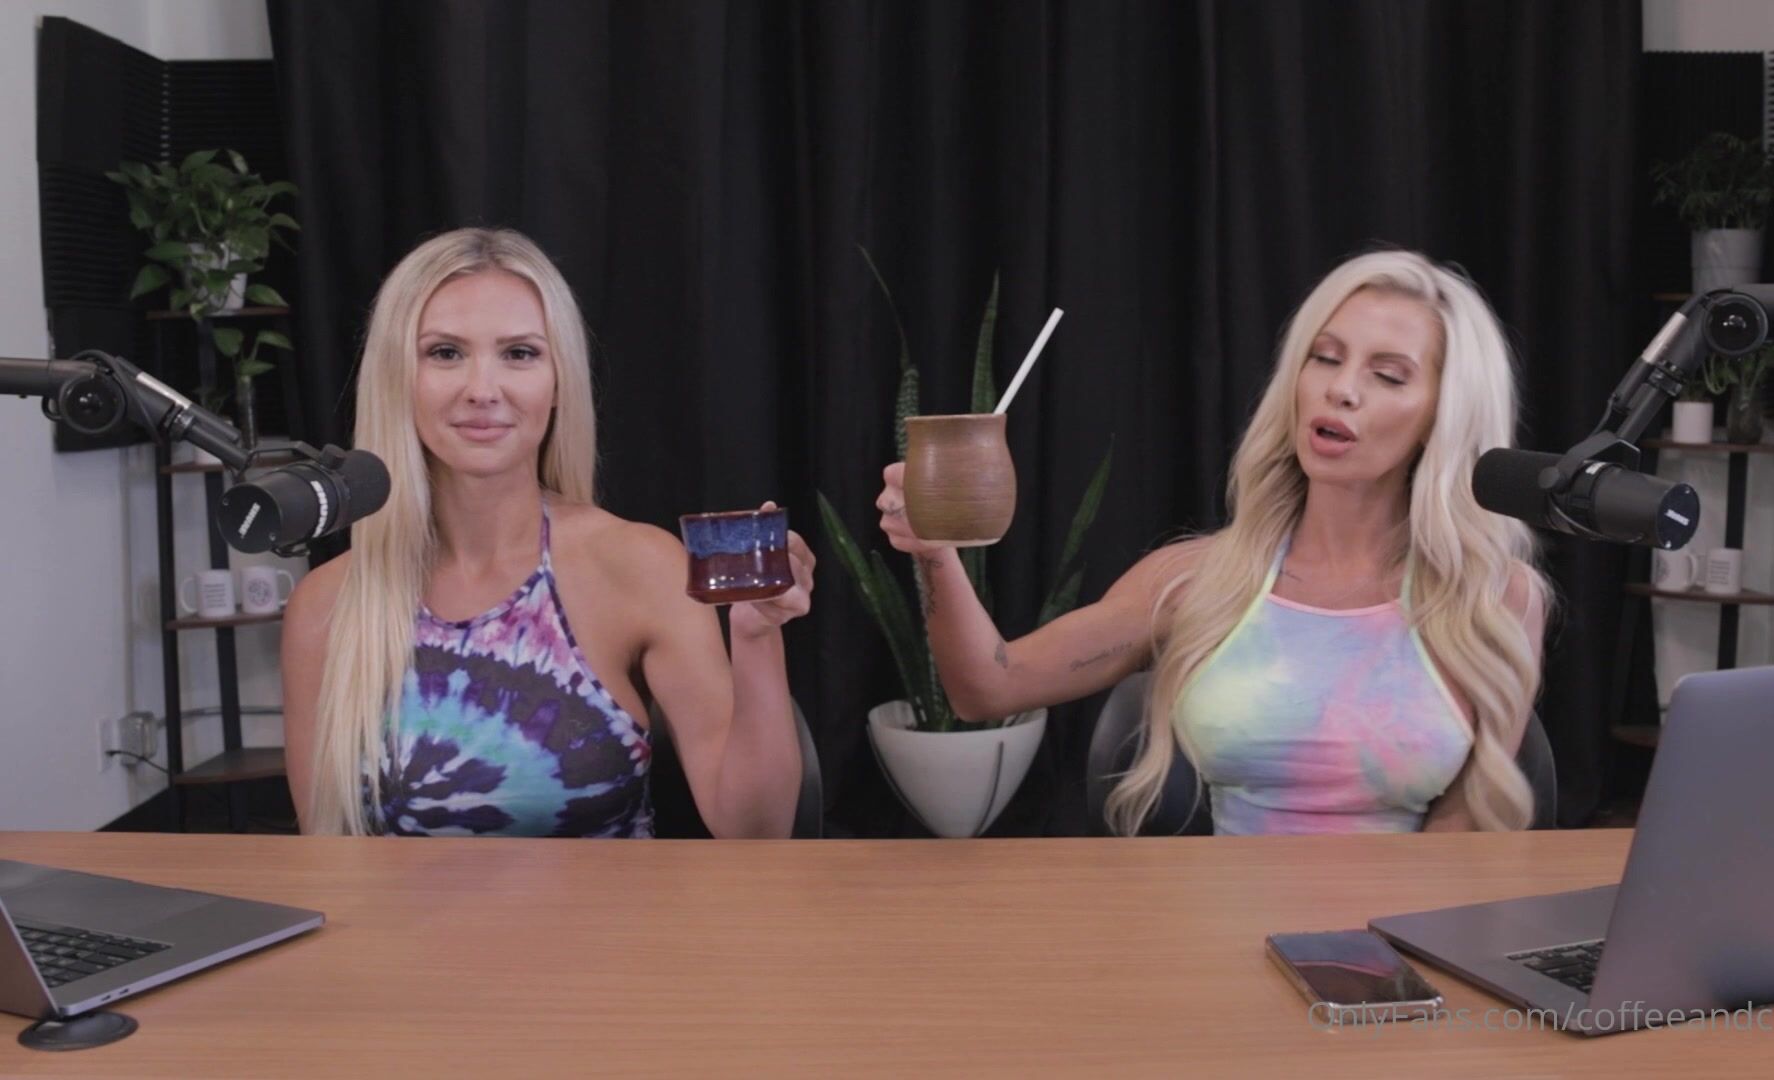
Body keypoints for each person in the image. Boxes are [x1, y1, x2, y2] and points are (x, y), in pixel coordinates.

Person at [876, 249, 1548, 836]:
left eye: (1389, 375)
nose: (1341, 389)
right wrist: (933, 552)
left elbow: (1464, 827)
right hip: (1228, 929)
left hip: (1399, 932)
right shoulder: (1194, 580)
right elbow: (988, 687)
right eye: (1325, 357)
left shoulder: (1493, 598)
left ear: (1442, 417)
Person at [282, 228, 813, 838]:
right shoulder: (328, 606)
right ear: (397, 377)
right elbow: (328, 859)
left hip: (608, 907)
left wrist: (756, 637)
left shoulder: (641, 566)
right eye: (445, 353)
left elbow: (756, 832)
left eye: (520, 354)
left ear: (560, 380)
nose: (483, 390)